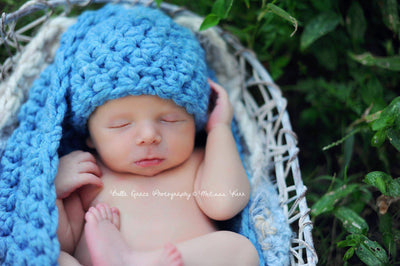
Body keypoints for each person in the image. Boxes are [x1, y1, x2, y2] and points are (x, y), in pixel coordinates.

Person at [53, 4, 259, 266]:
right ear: (90, 136)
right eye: (121, 125)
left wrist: (219, 129)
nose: (149, 136)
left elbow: (226, 203)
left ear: (195, 123)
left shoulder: (197, 163)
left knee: (240, 249)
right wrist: (55, 191)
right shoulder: (90, 177)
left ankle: (136, 260)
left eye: (170, 120)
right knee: (56, 258)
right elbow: (63, 240)